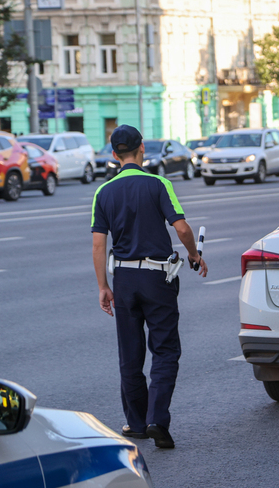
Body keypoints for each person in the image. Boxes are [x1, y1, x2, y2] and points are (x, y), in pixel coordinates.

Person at [91, 124, 208, 449]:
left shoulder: (104, 192)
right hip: (157, 278)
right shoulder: (159, 184)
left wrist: (103, 286)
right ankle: (157, 419)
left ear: (114, 154)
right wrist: (194, 255)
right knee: (165, 350)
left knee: (130, 355)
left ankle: (138, 424)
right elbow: (182, 229)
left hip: (124, 280)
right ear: (142, 148)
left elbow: (99, 245)